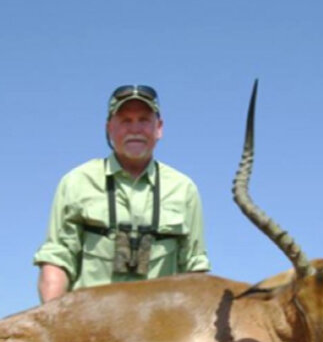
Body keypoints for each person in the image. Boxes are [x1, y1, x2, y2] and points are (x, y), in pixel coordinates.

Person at [34, 85, 211, 303]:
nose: (135, 129)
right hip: (89, 324)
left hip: (161, 329)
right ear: (109, 128)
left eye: (144, 120)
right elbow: (57, 259)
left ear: (159, 128)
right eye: (125, 120)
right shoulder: (77, 182)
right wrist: (53, 321)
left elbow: (195, 269)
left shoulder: (184, 189)